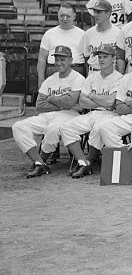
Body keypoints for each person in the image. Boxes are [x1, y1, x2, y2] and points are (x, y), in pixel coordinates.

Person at [12, 46, 84, 178]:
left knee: (53, 129)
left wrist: (51, 99)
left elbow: (71, 102)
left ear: (71, 60)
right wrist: (61, 103)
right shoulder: (50, 79)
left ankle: (41, 162)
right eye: (57, 59)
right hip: (47, 114)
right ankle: (39, 162)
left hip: (69, 115)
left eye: (63, 59)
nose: (59, 63)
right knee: (18, 127)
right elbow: (40, 105)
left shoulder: (78, 78)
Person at [58, 44, 123, 178]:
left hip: (111, 114)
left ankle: (89, 161)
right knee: (66, 127)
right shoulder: (92, 77)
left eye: (105, 57)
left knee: (99, 127)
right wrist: (101, 100)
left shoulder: (119, 78)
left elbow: (111, 102)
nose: (101, 60)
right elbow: (82, 101)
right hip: (92, 112)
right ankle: (83, 163)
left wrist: (92, 96)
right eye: (99, 57)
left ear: (113, 59)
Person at [37, 3, 85, 83]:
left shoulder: (83, 35)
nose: (64, 18)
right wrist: (40, 79)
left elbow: (88, 60)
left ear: (74, 16)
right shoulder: (49, 34)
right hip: (53, 71)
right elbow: (42, 59)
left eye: (68, 16)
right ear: (58, 15)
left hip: (76, 72)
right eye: (62, 15)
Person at [78, 0, 121, 75]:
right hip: (93, 72)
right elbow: (86, 57)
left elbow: (120, 59)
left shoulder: (118, 33)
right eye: (94, 11)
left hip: (111, 74)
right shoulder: (88, 33)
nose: (95, 15)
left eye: (99, 12)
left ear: (108, 14)